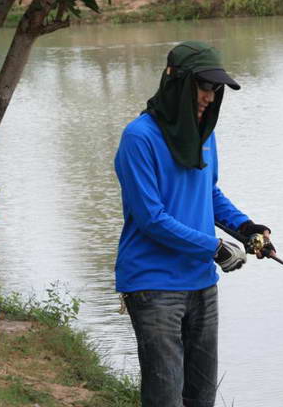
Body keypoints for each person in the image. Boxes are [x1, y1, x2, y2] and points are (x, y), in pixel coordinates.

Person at [114, 40, 274, 407]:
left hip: (201, 282)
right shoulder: (139, 138)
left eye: (216, 90)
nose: (210, 98)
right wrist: (214, 247)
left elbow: (209, 193)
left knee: (201, 398)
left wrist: (246, 228)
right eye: (204, 87)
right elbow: (152, 218)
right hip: (153, 285)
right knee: (165, 398)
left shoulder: (204, 136)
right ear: (177, 83)